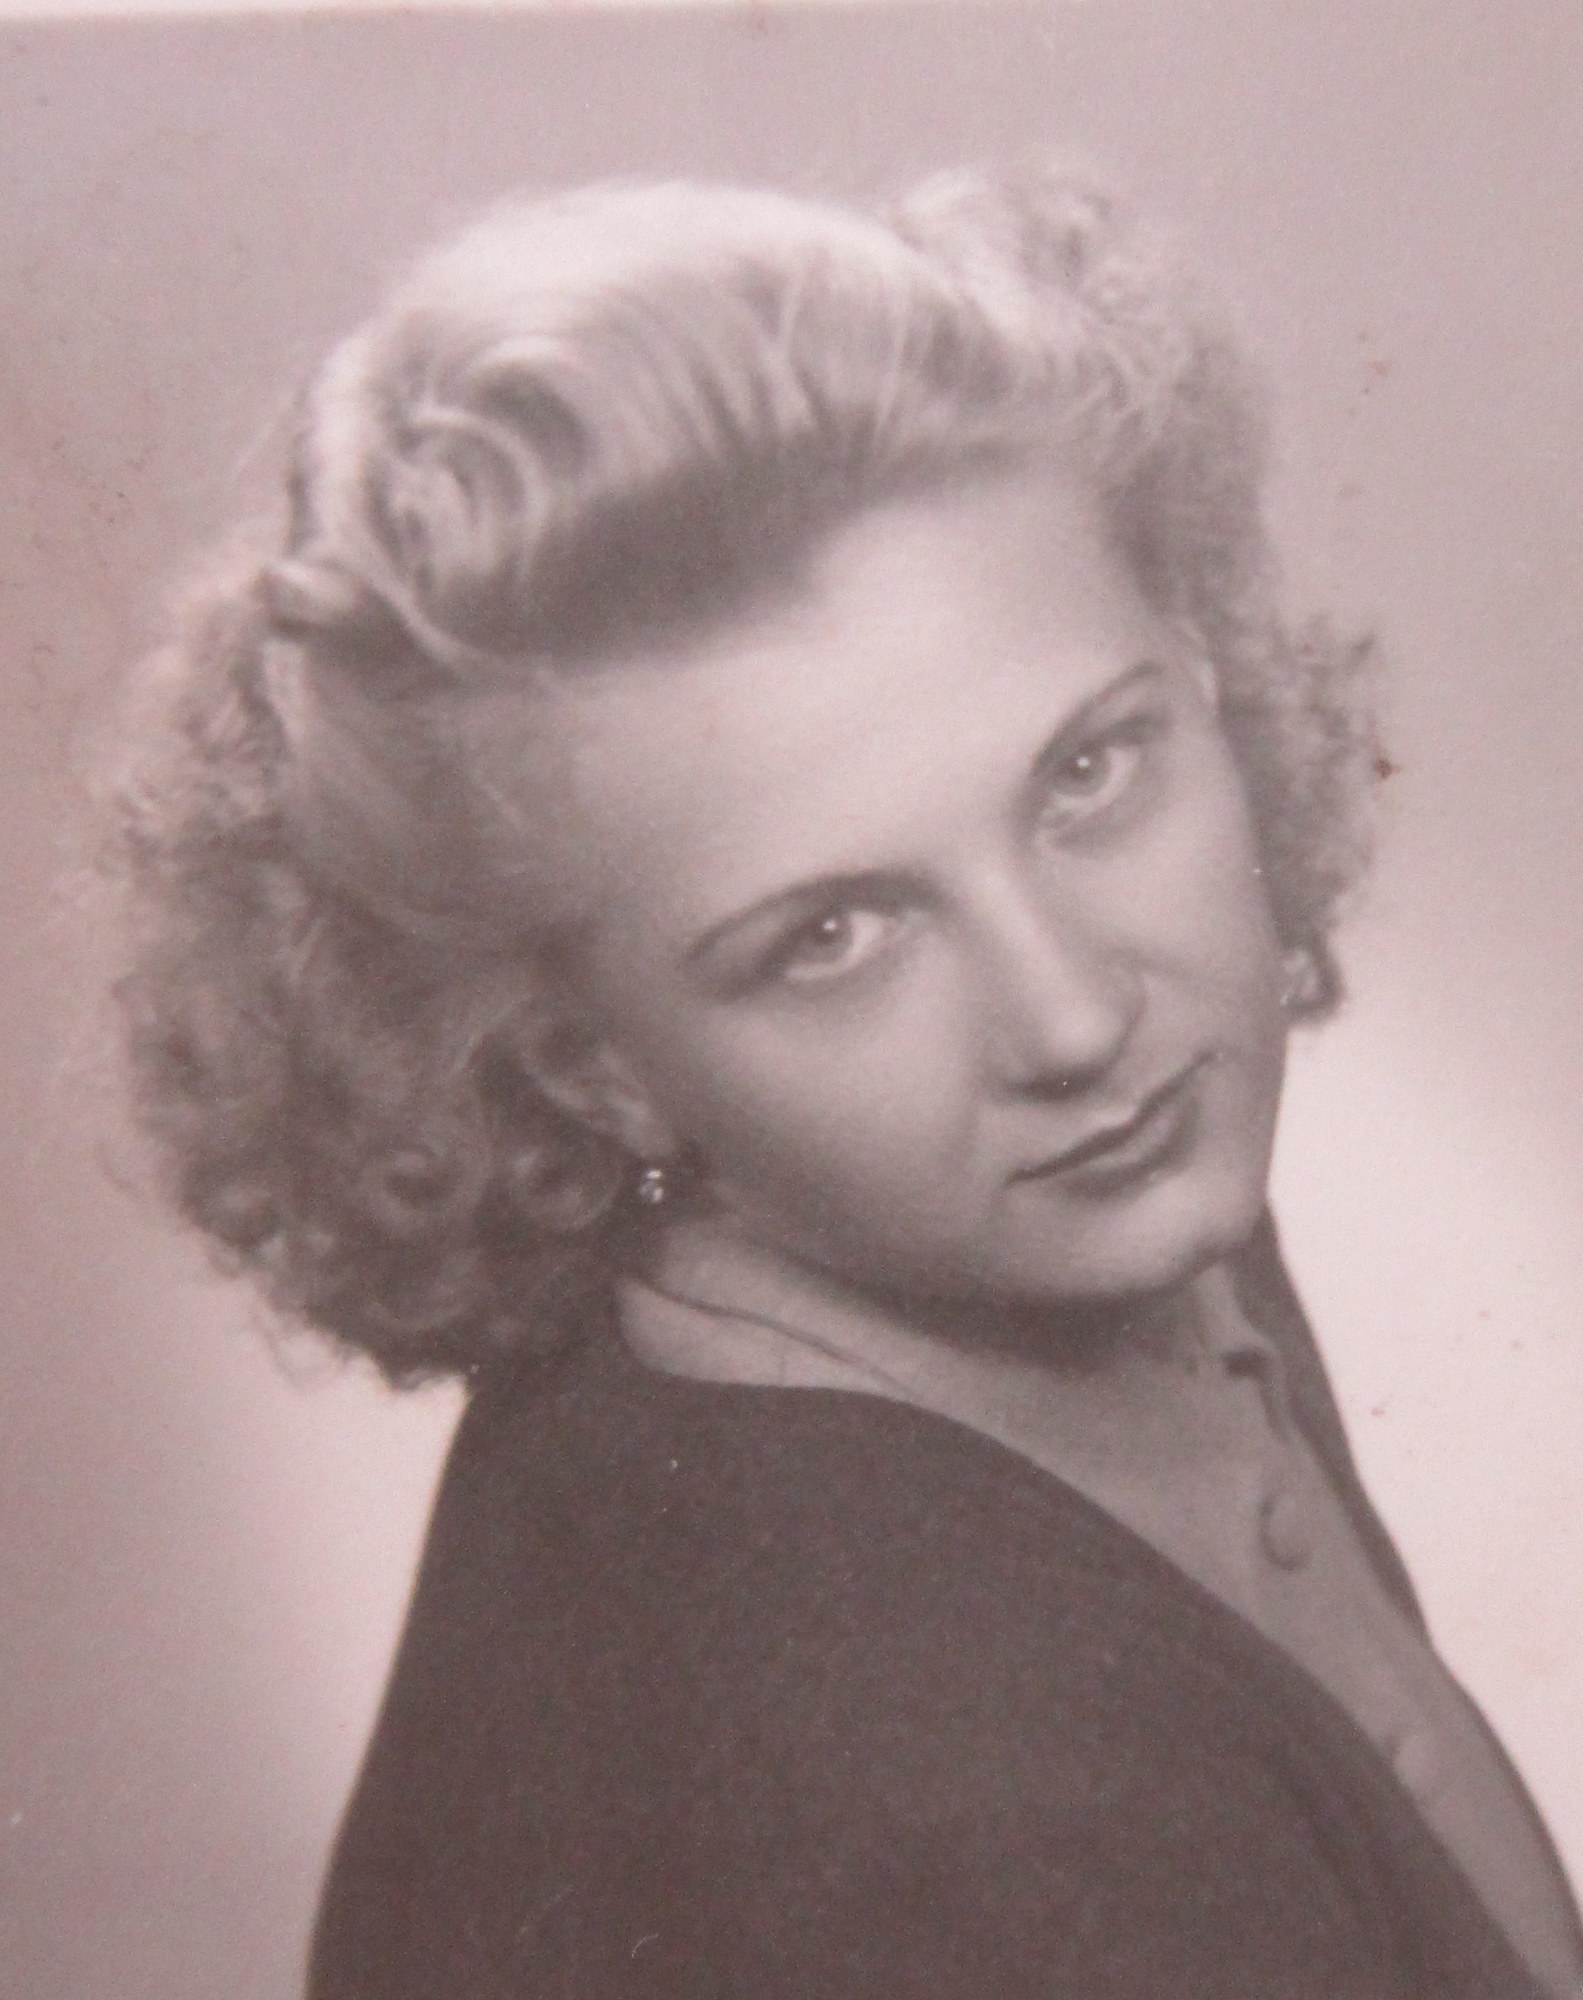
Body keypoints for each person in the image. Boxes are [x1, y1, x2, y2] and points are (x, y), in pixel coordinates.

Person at [102, 161, 1582, 1998]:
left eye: (1089, 774)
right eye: (831, 937)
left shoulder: (1064, 1210)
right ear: (590, 1069)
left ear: (1200, 668)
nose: (1071, 1019)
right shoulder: (966, 1811)